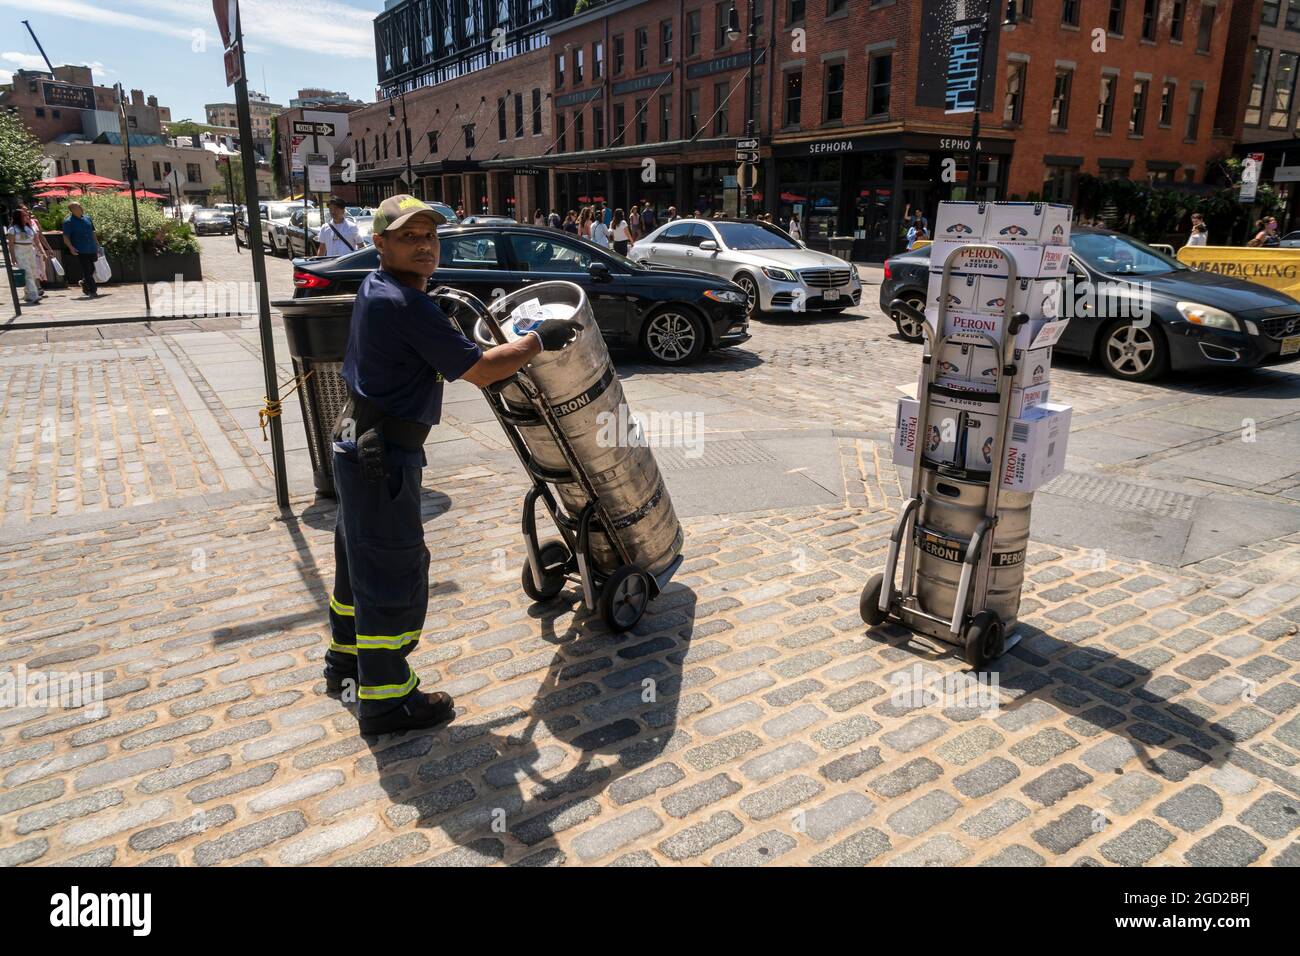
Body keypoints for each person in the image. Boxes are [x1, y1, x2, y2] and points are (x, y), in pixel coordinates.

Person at [326, 194, 581, 735]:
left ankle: (345, 665)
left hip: (354, 444)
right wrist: (539, 340)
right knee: (394, 571)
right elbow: (483, 369)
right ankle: (389, 700)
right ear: (380, 244)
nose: (423, 245)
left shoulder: (380, 288)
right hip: (382, 456)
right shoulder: (404, 303)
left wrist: (434, 313)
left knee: (358, 563)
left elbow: (415, 346)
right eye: (408, 237)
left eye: (429, 236)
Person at [61, 200, 101, 298]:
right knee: (86, 270)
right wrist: (71, 247)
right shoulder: (68, 222)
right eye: (79, 206)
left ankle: (84, 282)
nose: (81, 208)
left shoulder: (87, 218)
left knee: (92, 268)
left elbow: (93, 232)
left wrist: (97, 244)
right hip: (80, 249)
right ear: (73, 209)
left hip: (91, 247)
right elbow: (66, 237)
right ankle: (93, 290)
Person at [6, 208, 44, 304]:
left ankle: (27, 293)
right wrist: (13, 257)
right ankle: (34, 294)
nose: (27, 217)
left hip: (30, 250)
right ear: (18, 217)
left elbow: (37, 241)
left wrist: (42, 252)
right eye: (24, 215)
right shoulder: (13, 229)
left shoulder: (29, 228)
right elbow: (10, 244)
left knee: (33, 271)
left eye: (27, 215)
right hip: (20, 251)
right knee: (27, 273)